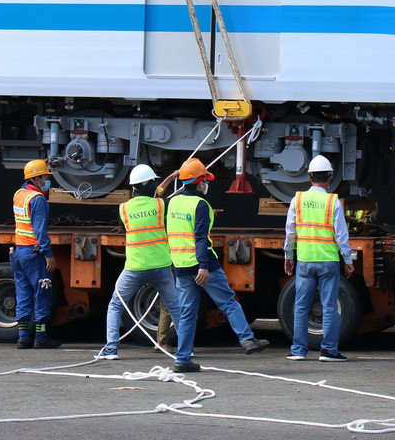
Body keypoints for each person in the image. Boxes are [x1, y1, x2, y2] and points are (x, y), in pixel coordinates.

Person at [167, 157, 269, 372]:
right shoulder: (201, 205)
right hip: (204, 265)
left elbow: (161, 199)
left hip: (181, 266)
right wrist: (203, 265)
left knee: (187, 314)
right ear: (198, 182)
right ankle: (247, 339)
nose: (207, 183)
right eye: (205, 179)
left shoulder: (172, 202)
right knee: (229, 302)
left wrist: (172, 176)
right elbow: (201, 237)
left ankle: (182, 359)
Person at [97, 164, 182, 360]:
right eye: (152, 182)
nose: (155, 185)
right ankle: (186, 349)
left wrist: (169, 177)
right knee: (175, 307)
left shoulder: (124, 209)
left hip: (135, 267)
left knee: (116, 305)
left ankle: (111, 348)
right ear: (145, 185)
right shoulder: (162, 205)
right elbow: (159, 196)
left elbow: (154, 193)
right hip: (161, 267)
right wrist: (173, 177)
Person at [284, 155, 355, 362]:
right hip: (328, 261)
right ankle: (329, 351)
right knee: (330, 306)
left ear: (309, 177)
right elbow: (342, 235)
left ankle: (298, 350)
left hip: (304, 260)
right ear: (330, 179)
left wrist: (289, 256)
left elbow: (290, 232)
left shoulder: (297, 200)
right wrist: (348, 260)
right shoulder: (333, 201)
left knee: (301, 305)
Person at [11, 159, 61, 349]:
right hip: (35, 254)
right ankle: (40, 337)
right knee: (42, 294)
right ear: (37, 179)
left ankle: (23, 337)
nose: (48, 181)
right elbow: (40, 231)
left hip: (19, 253)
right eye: (46, 177)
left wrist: (41, 165)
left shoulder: (19, 194)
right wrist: (49, 255)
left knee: (23, 295)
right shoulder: (38, 200)